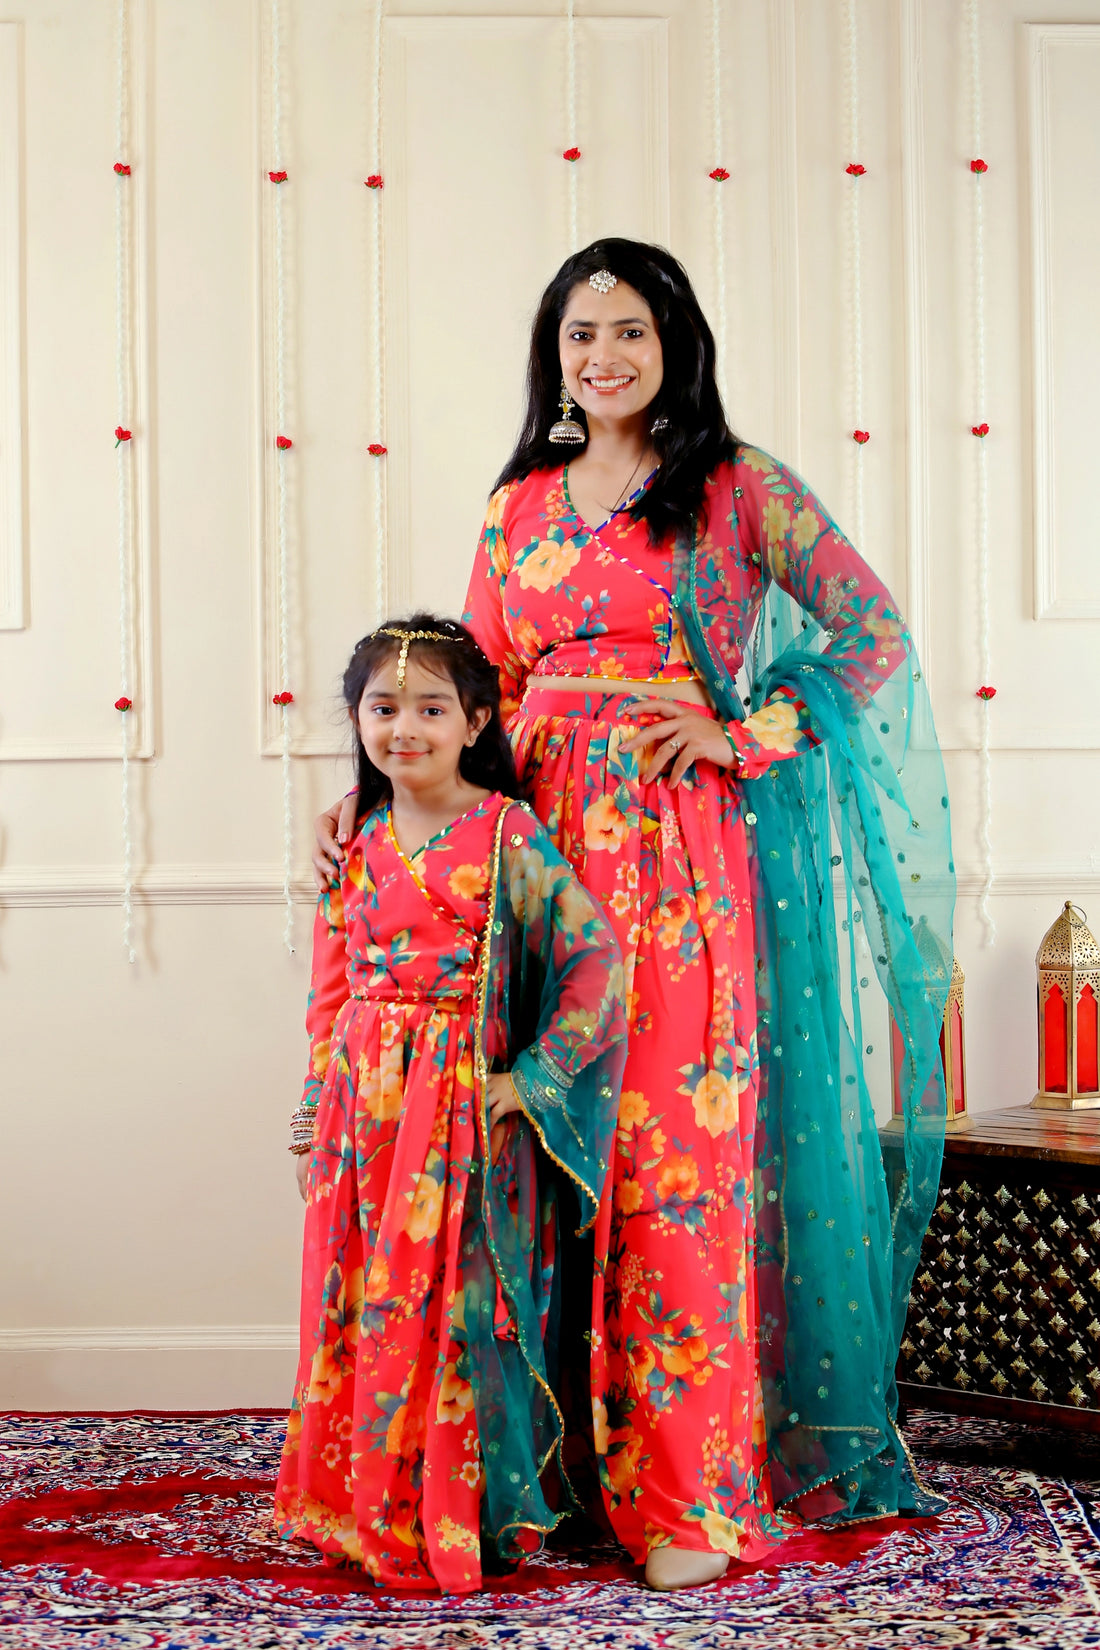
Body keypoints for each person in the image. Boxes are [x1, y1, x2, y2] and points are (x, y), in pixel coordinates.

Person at [314, 240, 955, 1591]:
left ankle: (684, 1496)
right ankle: (526, 1487)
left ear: (675, 342)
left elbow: (872, 636)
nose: (600, 356)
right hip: (527, 860)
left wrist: (741, 727)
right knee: (529, 1157)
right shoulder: (517, 510)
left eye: (627, 331)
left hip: (676, 862)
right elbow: (458, 696)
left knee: (670, 1160)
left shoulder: (737, 489)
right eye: (577, 333)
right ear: (555, 354)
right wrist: (369, 811)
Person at [277, 615, 626, 1593]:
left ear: (476, 719)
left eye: (431, 708)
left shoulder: (509, 832)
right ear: (357, 718)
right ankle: (368, 1502)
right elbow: (331, 988)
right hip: (364, 1115)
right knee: (368, 1297)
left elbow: (597, 964)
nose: (405, 729)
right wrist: (312, 1112)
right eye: (383, 708)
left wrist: (538, 1078)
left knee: (457, 1309)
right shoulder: (356, 838)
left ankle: (456, 1513)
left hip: (463, 1116)